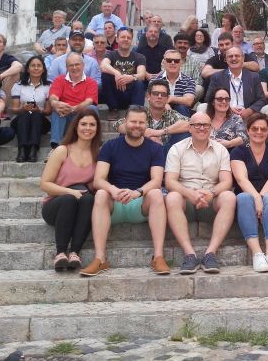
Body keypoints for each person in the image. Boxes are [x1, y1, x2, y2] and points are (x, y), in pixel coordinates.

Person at [82, 106, 170, 276]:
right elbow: (98, 179)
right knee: (100, 193)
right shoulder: (110, 146)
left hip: (140, 204)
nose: (136, 125)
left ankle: (158, 257)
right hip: (115, 202)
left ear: (146, 124)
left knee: (156, 193)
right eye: (133, 121)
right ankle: (100, 258)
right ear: (125, 122)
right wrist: (113, 190)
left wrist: (138, 192)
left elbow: (157, 181)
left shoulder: (155, 149)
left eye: (141, 122)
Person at [165, 112, 237, 274]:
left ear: (211, 128)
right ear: (189, 128)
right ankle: (189, 255)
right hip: (186, 199)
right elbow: (170, 181)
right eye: (197, 125)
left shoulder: (221, 150)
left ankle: (210, 254)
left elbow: (226, 182)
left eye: (205, 125)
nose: (201, 128)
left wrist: (211, 192)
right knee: (172, 197)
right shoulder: (177, 149)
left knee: (229, 197)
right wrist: (189, 193)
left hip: (210, 199)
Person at [39, 109, 100, 272]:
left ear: (97, 129)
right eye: (84, 124)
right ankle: (60, 253)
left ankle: (74, 253)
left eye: (92, 125)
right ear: (75, 126)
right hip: (56, 205)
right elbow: (45, 184)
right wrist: (70, 192)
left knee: (89, 199)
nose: (88, 128)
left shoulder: (98, 155)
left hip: (82, 203)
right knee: (69, 199)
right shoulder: (62, 150)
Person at [231, 113, 268, 273]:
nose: (259, 132)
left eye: (263, 129)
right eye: (254, 128)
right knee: (243, 197)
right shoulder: (238, 151)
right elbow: (241, 180)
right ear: (248, 131)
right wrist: (256, 198)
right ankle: (257, 253)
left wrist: (261, 198)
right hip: (247, 202)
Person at [203, 47, 268, 126]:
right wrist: (228, 108)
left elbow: (261, 99)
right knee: (203, 106)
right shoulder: (217, 77)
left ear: (243, 58)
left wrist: (249, 110)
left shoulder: (253, 77)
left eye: (237, 56)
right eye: (230, 56)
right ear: (226, 59)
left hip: (249, 115)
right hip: (224, 112)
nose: (234, 58)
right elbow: (209, 98)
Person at [117, 79, 189, 155]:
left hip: (166, 154)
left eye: (163, 94)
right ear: (148, 96)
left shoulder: (171, 114)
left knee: (185, 134)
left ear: (167, 99)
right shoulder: (141, 113)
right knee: (126, 133)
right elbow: (119, 124)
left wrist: (158, 132)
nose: (159, 97)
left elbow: (190, 124)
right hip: (142, 153)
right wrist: (146, 136)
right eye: (155, 93)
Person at [49, 52, 99, 148]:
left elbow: (89, 101)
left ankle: (92, 143)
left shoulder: (91, 82)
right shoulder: (59, 79)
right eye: (71, 65)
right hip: (65, 118)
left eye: (77, 64)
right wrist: (56, 104)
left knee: (92, 108)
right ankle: (56, 147)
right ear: (67, 67)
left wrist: (72, 109)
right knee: (57, 109)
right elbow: (53, 97)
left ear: (83, 65)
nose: (74, 67)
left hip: (82, 117)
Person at [10, 55, 52, 163]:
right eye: (33, 66)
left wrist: (39, 110)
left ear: (43, 69)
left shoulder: (48, 86)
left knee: (36, 115)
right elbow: (14, 109)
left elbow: (48, 111)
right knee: (25, 114)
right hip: (20, 120)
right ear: (28, 69)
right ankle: (22, 149)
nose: (36, 68)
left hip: (41, 121)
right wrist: (22, 109)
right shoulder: (18, 85)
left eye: (39, 66)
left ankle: (33, 149)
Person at [99, 27, 147, 119]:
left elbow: (142, 74)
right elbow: (103, 65)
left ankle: (136, 112)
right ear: (117, 39)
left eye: (128, 38)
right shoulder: (111, 54)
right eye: (123, 37)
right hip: (114, 94)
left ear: (131, 41)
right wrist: (117, 73)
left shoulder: (139, 57)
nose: (126, 39)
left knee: (139, 82)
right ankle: (113, 109)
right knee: (105, 75)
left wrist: (130, 77)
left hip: (131, 95)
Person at [154, 49, 196, 117]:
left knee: (181, 107)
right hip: (160, 110)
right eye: (169, 60)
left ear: (181, 63)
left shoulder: (189, 80)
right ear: (164, 62)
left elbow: (189, 101)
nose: (173, 63)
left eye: (176, 61)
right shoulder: (155, 80)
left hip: (181, 112)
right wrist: (166, 105)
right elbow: (154, 100)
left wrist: (171, 99)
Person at [175, 32, 205, 100]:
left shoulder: (195, 62)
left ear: (189, 46)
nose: (182, 45)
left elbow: (197, 81)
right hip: (171, 90)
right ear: (175, 44)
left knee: (199, 88)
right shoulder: (168, 60)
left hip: (187, 92)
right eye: (180, 43)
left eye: (185, 43)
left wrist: (183, 88)